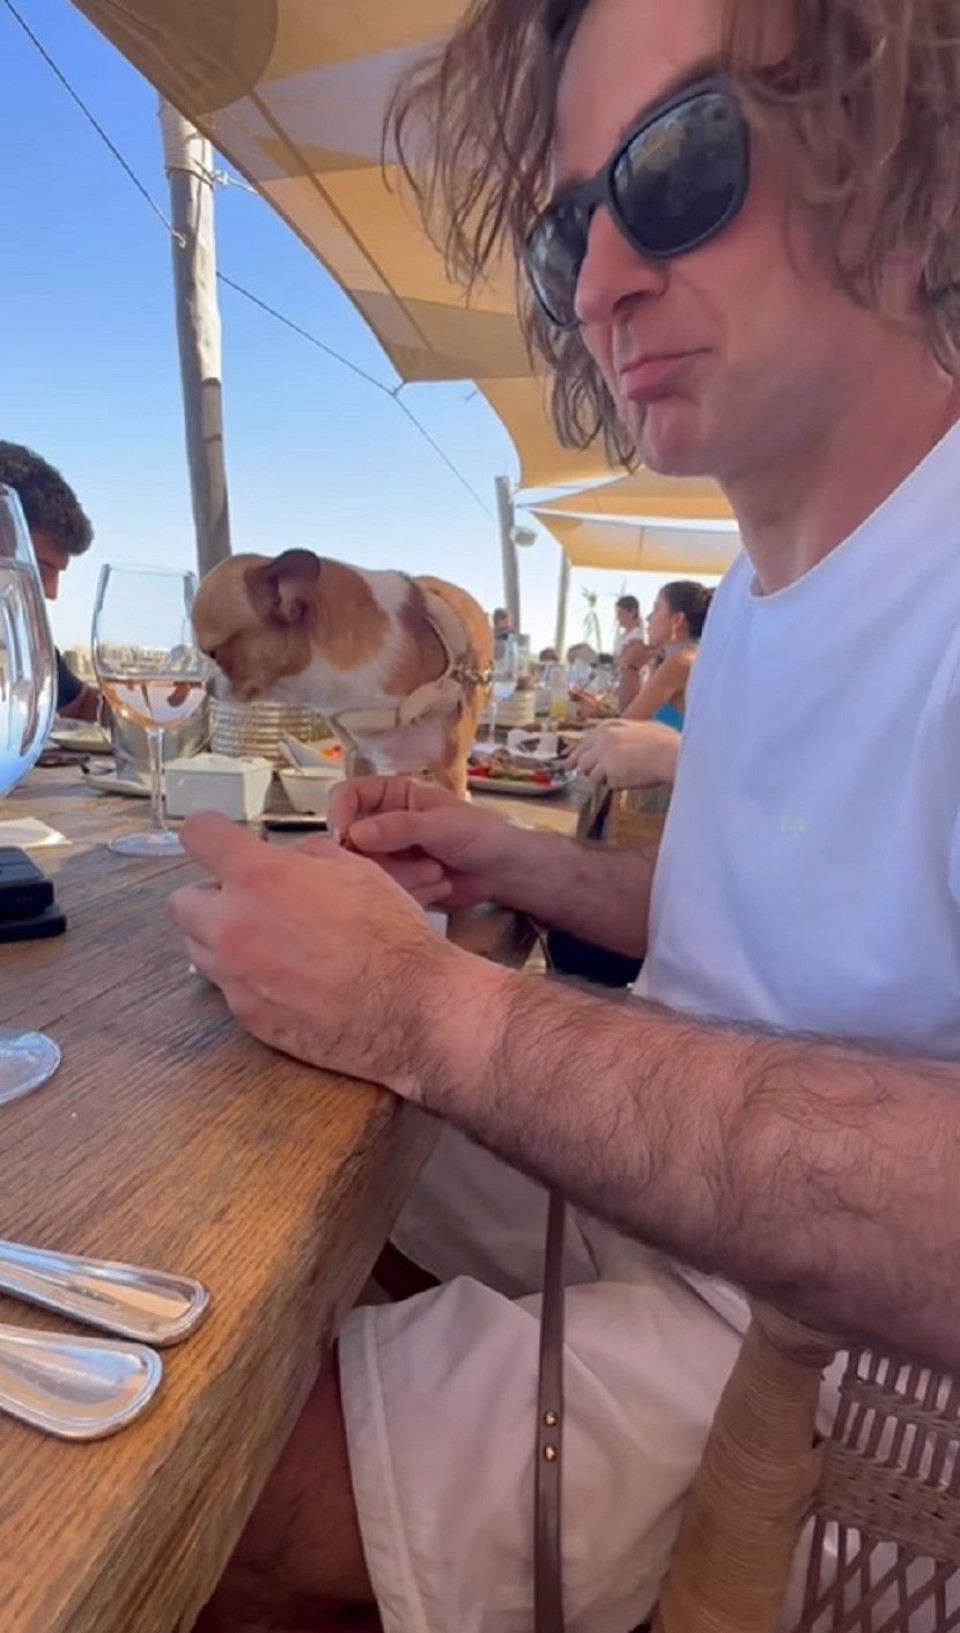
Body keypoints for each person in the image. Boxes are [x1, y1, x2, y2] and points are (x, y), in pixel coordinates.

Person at [170, 0, 960, 1628]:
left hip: (825, 1346)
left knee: (197, 1474)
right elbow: (795, 941)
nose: (598, 283)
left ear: (914, 140)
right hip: (659, 1194)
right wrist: (517, 863)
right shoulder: (763, 594)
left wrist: (435, 1012)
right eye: (564, 232)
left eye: (678, 162)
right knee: (210, 1187)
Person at [0, 442, 100, 722]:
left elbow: (81, 704)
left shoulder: (21, 641)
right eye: (38, 568)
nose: (52, 592)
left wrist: (148, 704)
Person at [623, 580, 713, 729]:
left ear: (677, 620)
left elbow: (624, 726)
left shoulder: (680, 662)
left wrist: (630, 668)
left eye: (656, 609)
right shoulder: (692, 657)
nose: (648, 618)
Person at [613, 592, 652, 709]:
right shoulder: (623, 637)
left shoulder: (639, 638)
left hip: (634, 684)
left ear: (632, 612)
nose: (618, 618)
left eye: (621, 613)